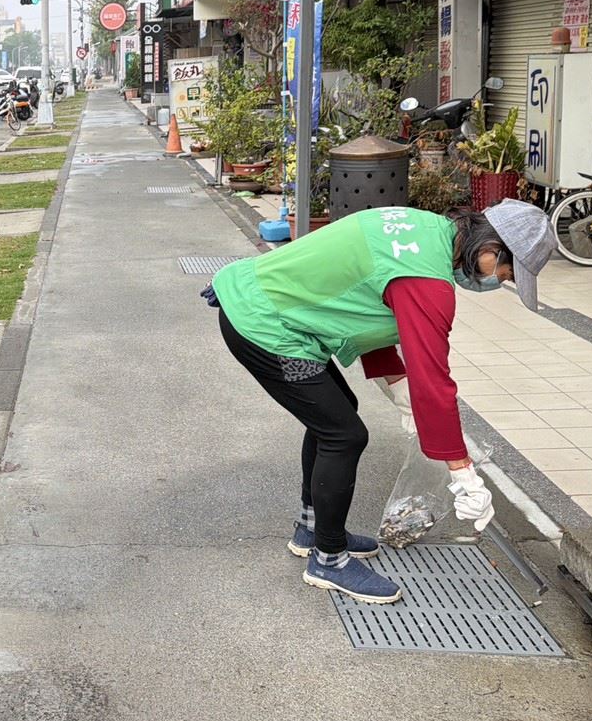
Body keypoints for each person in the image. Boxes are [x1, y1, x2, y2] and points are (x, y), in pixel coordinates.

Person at [208, 199, 557, 605]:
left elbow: (366, 306)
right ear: (491, 248)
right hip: (265, 324)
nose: (502, 281)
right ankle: (329, 560)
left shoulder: (423, 229)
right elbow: (433, 380)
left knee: (337, 415)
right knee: (342, 433)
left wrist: (400, 390)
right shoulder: (425, 280)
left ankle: (313, 529)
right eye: (507, 272)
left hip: (261, 302)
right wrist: (464, 474)